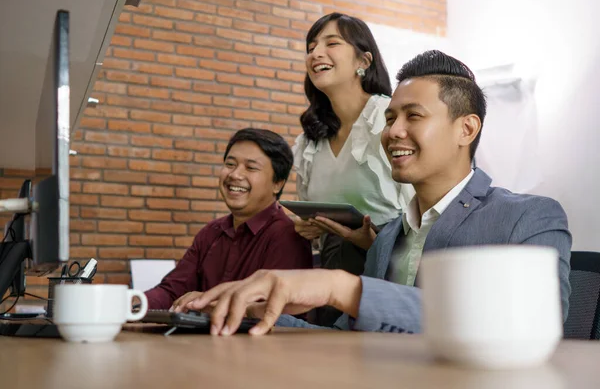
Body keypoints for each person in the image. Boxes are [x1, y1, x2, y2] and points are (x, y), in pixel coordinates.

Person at [174, 50, 572, 337]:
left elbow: (536, 322)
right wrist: (240, 311)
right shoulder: (388, 236)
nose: (393, 131)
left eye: (413, 116)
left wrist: (341, 287)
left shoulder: (529, 217)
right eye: (390, 118)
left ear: (466, 129)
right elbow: (348, 333)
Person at [292, 12, 413, 326]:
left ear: (364, 60)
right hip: (335, 269)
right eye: (311, 47)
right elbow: (309, 213)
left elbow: (423, 205)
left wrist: (374, 241)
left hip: (396, 268)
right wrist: (312, 227)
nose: (316, 53)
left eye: (331, 43)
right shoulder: (309, 141)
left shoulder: (389, 118)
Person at [144, 128, 312, 310]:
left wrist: (208, 302)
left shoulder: (287, 236)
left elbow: (274, 311)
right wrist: (129, 302)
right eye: (230, 164)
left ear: (277, 183)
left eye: (251, 167)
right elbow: (172, 291)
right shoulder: (211, 232)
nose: (235, 175)